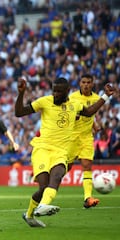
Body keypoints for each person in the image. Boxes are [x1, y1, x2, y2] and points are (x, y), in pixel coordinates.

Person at [15, 76, 115, 228]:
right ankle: (29, 215)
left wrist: (106, 96)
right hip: (42, 149)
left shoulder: (75, 104)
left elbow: (89, 112)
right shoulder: (44, 101)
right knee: (43, 188)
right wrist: (21, 93)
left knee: (57, 176)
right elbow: (19, 112)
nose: (55, 94)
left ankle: (41, 207)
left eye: (59, 92)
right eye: (54, 91)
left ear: (67, 92)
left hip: (61, 152)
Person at [68, 74, 102, 209]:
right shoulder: (73, 97)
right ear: (79, 83)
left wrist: (94, 125)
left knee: (87, 165)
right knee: (66, 167)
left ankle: (88, 197)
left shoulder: (96, 98)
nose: (86, 85)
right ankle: (48, 187)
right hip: (72, 137)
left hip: (87, 137)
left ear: (92, 84)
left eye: (89, 82)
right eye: (84, 82)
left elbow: (90, 114)